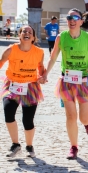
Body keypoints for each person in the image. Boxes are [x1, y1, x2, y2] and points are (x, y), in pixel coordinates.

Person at [40, 8, 88, 160]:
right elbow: (53, 58)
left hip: (84, 81)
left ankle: (87, 124)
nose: (72, 20)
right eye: (69, 17)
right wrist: (45, 74)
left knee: (84, 118)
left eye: (75, 17)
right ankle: (74, 146)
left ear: (81, 21)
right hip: (67, 81)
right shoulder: (61, 37)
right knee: (70, 116)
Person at [0, 25, 45, 158]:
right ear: (19, 35)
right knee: (8, 112)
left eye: (30, 32)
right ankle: (15, 145)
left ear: (33, 37)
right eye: (24, 31)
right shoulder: (11, 50)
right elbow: (1, 62)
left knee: (28, 120)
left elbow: (41, 67)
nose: (27, 33)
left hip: (30, 87)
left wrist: (42, 76)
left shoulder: (39, 52)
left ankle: (29, 146)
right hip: (12, 85)